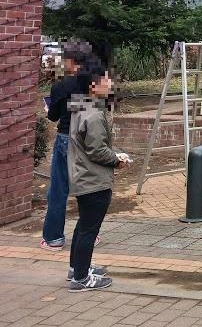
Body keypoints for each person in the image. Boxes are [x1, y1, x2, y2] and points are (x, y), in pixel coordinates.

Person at [67, 58, 131, 291]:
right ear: (94, 85)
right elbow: (97, 149)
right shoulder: (93, 114)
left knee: (83, 226)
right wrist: (117, 160)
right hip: (93, 179)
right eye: (106, 79)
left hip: (83, 176)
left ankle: (77, 268)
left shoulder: (81, 106)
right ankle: (81, 279)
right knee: (89, 229)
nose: (110, 82)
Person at [41, 41, 97, 252]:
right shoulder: (96, 83)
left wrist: (51, 106)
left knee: (59, 190)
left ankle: (54, 238)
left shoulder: (61, 86)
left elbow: (53, 116)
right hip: (90, 139)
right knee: (90, 187)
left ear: (71, 61)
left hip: (66, 138)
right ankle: (90, 233)